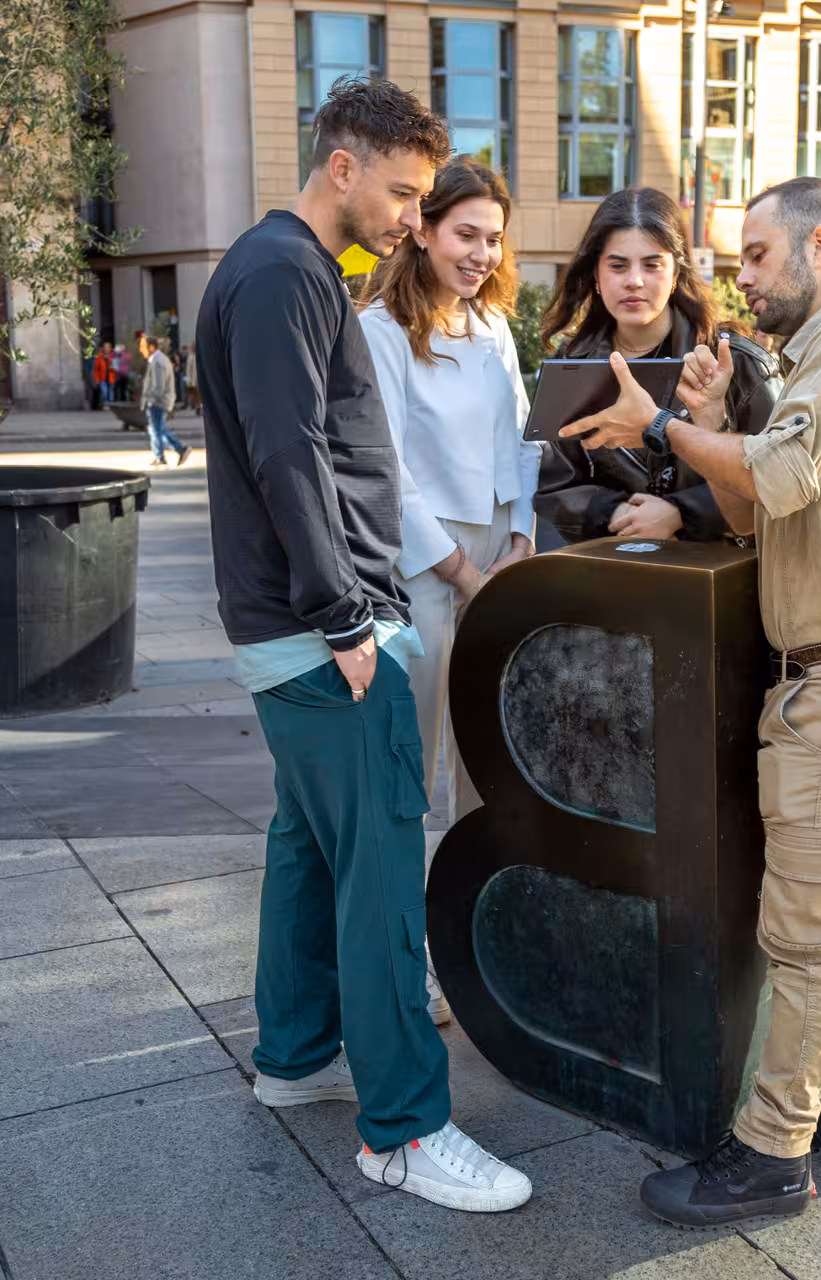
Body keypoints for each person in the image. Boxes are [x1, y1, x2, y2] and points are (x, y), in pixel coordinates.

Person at [559, 177, 821, 1229]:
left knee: (805, 932)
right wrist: (715, 416)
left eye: (760, 254)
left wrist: (663, 428)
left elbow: (776, 477)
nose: (745, 277)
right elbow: (750, 508)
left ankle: (772, 1151)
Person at [195, 76, 531, 1215]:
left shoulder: (273, 266)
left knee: (307, 846)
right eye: (401, 192)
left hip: (293, 626)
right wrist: (348, 617)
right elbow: (291, 455)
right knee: (384, 872)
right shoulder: (287, 270)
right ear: (343, 166)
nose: (408, 216)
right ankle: (404, 1127)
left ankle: (292, 1056)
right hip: (321, 629)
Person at [359, 157, 539, 826]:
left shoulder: (491, 327)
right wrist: (462, 572)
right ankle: (399, 914)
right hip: (425, 566)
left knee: (489, 748)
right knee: (415, 746)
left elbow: (527, 437)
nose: (483, 254)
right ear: (424, 231)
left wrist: (521, 539)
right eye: (467, 235)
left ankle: (475, 906)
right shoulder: (381, 330)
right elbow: (387, 467)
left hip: (499, 552)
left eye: (493, 239)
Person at [536, 187, 780, 542]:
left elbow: (780, 474)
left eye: (652, 265)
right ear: (596, 276)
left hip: (719, 580)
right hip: (610, 576)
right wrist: (616, 513)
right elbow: (554, 482)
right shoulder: (570, 364)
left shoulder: (737, 363)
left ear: (677, 272)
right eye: (618, 265)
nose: (634, 280)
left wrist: (684, 513)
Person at [138, 332, 192, 467]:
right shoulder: (159, 359)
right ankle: (174, 451)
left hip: (157, 402)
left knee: (156, 430)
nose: (141, 350)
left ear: (151, 347)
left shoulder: (157, 361)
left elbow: (158, 386)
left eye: (143, 347)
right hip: (161, 401)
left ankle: (165, 454)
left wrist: (151, 400)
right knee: (157, 429)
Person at [92, 342, 114, 409]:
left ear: (110, 348)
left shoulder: (112, 356)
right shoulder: (99, 356)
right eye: (105, 347)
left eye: (108, 347)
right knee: (104, 392)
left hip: (111, 377)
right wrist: (96, 379)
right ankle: (106, 404)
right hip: (102, 378)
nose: (106, 349)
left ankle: (111, 404)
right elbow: (95, 369)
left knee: (110, 392)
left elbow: (115, 367)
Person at [183, 342, 202, 414]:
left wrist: (188, 381)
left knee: (197, 394)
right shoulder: (193, 356)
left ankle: (198, 406)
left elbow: (188, 370)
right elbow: (188, 370)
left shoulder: (192, 357)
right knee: (196, 394)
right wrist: (188, 381)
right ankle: (197, 406)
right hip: (195, 379)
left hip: (195, 380)